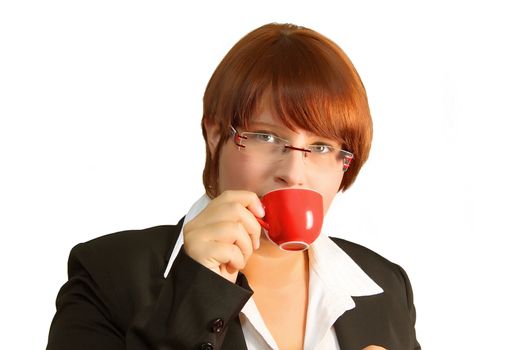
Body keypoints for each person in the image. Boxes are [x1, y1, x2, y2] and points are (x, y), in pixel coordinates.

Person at [47, 23, 420, 350]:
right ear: (214, 136)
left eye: (321, 147)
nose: (293, 172)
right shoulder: (108, 274)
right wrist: (196, 295)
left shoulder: (385, 287)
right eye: (266, 137)